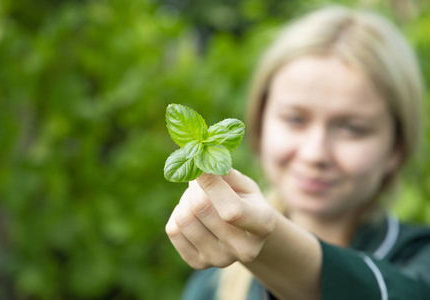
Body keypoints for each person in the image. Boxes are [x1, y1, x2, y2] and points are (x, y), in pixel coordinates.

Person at [165, 5, 430, 300]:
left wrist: (267, 242)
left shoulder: (420, 256)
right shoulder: (213, 285)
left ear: (396, 146)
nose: (315, 153)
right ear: (260, 122)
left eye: (352, 128)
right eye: (295, 119)